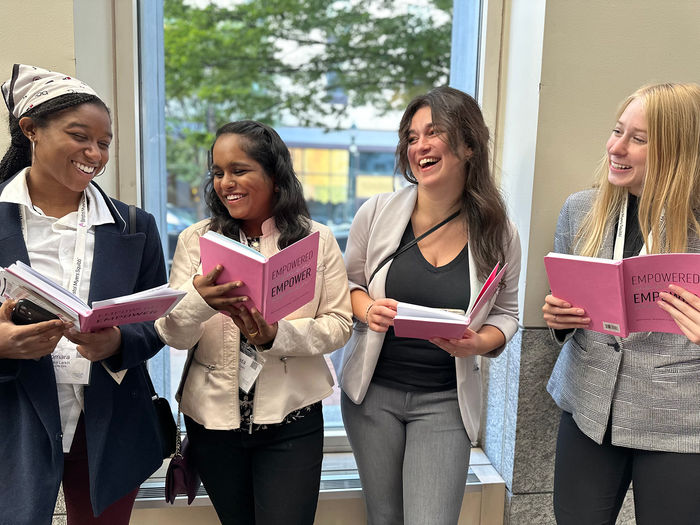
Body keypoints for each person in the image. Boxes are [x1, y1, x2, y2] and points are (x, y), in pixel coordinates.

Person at [337, 86, 521, 525]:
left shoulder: (499, 233)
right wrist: (367, 311)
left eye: (433, 133)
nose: (419, 145)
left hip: (444, 402)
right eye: (411, 136)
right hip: (372, 397)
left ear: (469, 144)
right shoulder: (376, 213)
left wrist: (479, 342)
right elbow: (346, 285)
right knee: (384, 518)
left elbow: (508, 313)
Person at [155, 120, 353, 525]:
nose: (226, 182)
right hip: (213, 425)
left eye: (239, 170)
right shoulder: (196, 240)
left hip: (292, 419)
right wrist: (200, 302)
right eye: (218, 172)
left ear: (275, 176)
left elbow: (340, 324)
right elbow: (172, 332)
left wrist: (277, 335)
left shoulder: (316, 240)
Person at [0, 64, 167, 524]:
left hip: (109, 425)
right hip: (15, 420)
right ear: (30, 129)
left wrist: (117, 342)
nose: (94, 152)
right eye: (80, 136)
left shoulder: (134, 227)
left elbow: (155, 322)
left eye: (105, 142)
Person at [543, 82, 700, 524]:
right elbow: (565, 307)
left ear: (677, 151)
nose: (616, 147)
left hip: (679, 419)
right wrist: (558, 319)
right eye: (617, 131)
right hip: (589, 408)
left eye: (638, 139)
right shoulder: (580, 210)